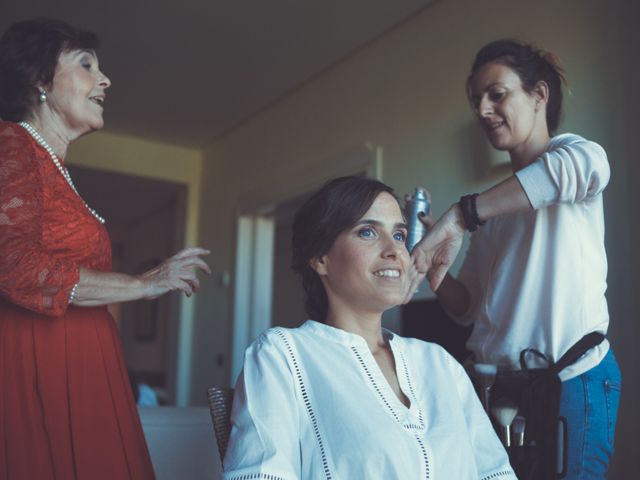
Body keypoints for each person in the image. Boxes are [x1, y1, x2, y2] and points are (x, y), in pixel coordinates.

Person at [0, 18, 210, 479]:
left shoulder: (49, 164)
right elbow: (13, 265)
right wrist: (141, 283)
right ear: (39, 79)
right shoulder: (11, 143)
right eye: (86, 65)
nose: (105, 79)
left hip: (81, 360)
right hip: (44, 360)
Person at [408, 39, 621, 478]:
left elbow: (579, 170)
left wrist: (461, 216)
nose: (483, 109)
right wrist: (438, 272)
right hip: (493, 392)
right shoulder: (494, 210)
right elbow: (467, 308)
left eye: (497, 94)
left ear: (539, 95)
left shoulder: (576, 156)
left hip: (570, 384)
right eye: (476, 100)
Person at [223, 176, 516, 479]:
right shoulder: (282, 355)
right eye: (367, 232)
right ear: (320, 258)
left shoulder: (439, 362)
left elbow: (494, 472)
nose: (394, 251)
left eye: (400, 235)